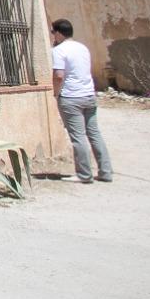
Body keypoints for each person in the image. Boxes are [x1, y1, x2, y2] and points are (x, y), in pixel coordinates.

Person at [50, 19, 113, 184]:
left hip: (71, 97)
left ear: (58, 33)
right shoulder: (82, 48)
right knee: (94, 133)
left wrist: (56, 93)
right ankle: (106, 172)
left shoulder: (58, 50)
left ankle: (84, 174)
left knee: (78, 137)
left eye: (53, 32)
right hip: (89, 95)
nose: (53, 36)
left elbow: (58, 76)